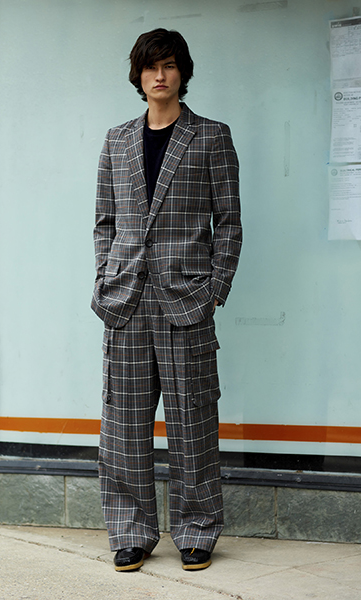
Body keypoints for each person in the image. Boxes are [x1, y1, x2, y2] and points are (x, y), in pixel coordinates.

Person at [91, 28, 242, 572]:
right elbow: (104, 222)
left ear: (182, 73)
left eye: (170, 65)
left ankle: (197, 530)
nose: (160, 75)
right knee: (124, 425)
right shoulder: (117, 140)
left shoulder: (211, 137)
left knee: (192, 420)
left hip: (187, 302)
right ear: (138, 74)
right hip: (126, 302)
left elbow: (229, 223)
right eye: (151, 66)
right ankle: (131, 531)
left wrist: (214, 291)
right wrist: (106, 277)